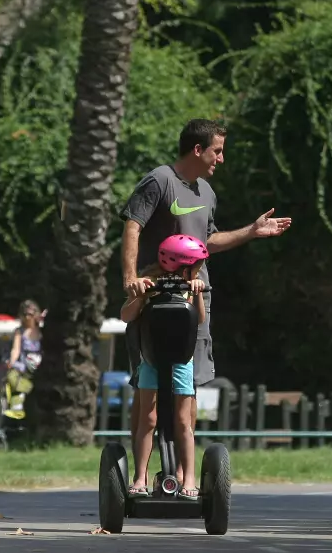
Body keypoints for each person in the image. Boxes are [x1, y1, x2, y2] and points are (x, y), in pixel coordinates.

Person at [119, 119, 291, 438]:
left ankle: (186, 475)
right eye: (218, 151)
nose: (221, 159)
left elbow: (207, 241)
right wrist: (131, 278)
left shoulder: (206, 192)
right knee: (148, 386)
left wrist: (251, 232)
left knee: (190, 381)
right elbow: (133, 226)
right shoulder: (160, 181)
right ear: (198, 150)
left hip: (194, 298)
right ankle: (140, 473)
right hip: (154, 295)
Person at [120, 235, 208, 500]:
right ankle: (140, 478)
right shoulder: (149, 283)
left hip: (181, 360)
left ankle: (189, 478)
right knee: (148, 419)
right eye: (197, 266)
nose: (199, 271)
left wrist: (197, 293)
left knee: (183, 420)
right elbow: (126, 316)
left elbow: (199, 319)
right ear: (182, 266)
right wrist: (141, 292)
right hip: (151, 358)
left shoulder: (189, 288)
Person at [4, 299, 43, 417]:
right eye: (24, 314)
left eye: (30, 314)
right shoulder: (19, 332)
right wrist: (12, 361)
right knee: (12, 376)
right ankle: (18, 403)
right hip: (23, 365)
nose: (27, 317)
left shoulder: (42, 331)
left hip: (39, 366)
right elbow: (15, 349)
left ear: (36, 315)